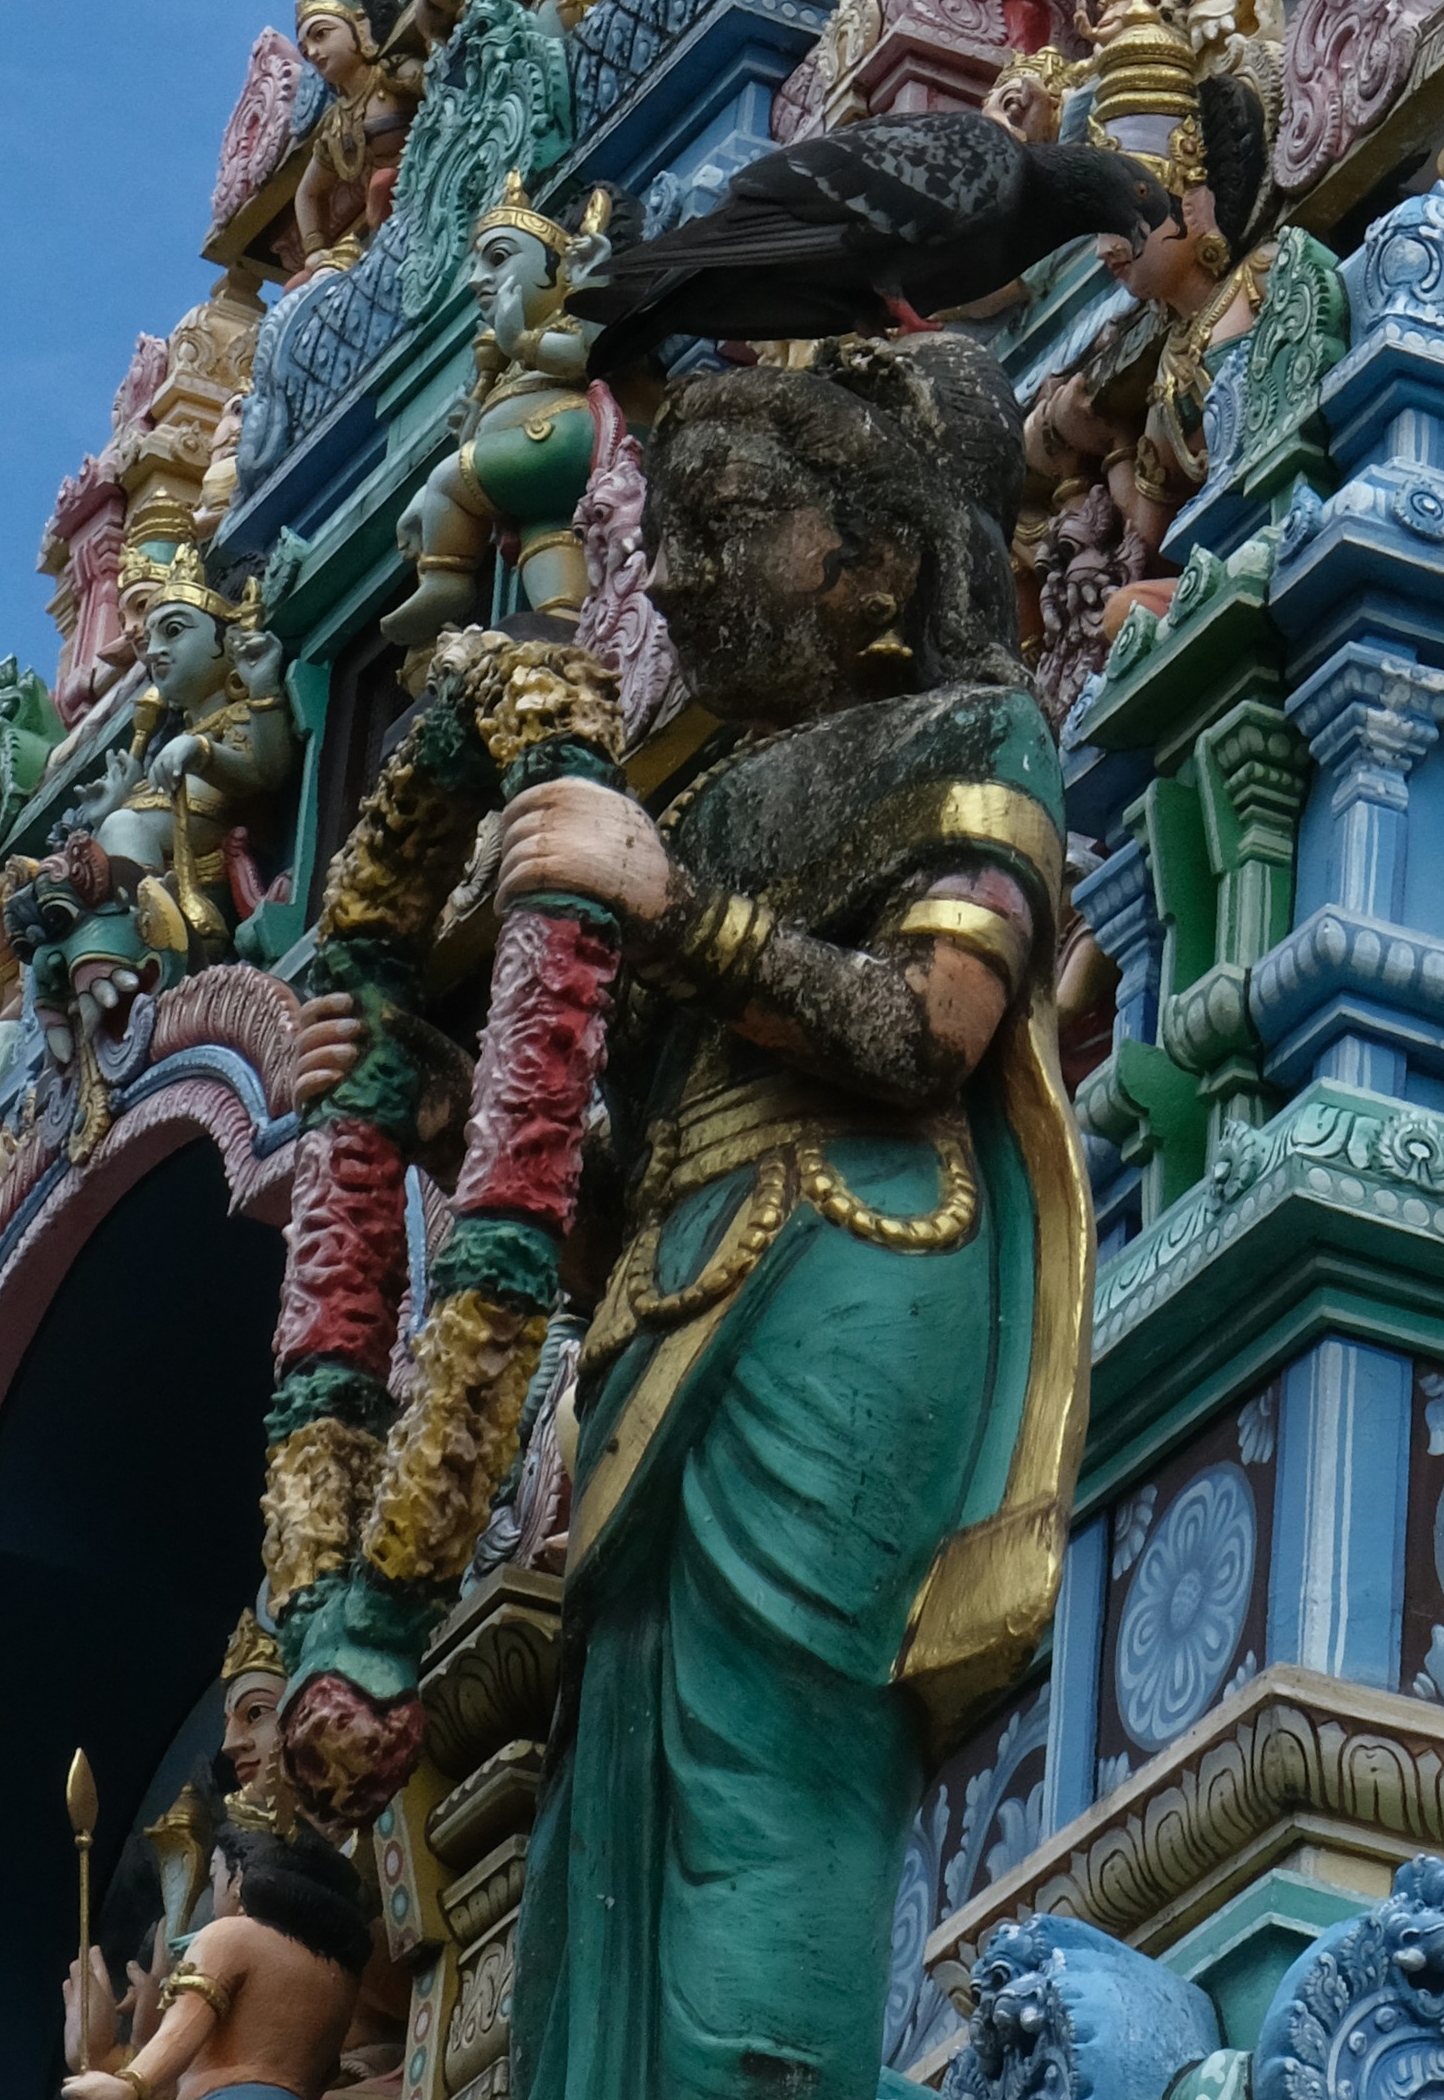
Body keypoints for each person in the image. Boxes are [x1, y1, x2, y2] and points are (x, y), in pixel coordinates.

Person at [296, 336, 1086, 2100]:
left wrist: (669, 907)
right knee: (613, 1794)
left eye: (723, 525)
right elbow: (597, 1191)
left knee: (769, 1749)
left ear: (877, 557)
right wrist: (423, 1098)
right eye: (664, 531)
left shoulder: (969, 733)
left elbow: (926, 1030)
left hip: (858, 1264)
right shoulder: (706, 799)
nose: (667, 574)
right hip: (663, 1295)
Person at [63, 1827, 377, 2099]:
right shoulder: (340, 1973)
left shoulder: (231, 1936)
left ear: (238, 1878)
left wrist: (132, 2084)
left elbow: (184, 2026)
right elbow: (326, 2072)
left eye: (214, 1879)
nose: (212, 1903)